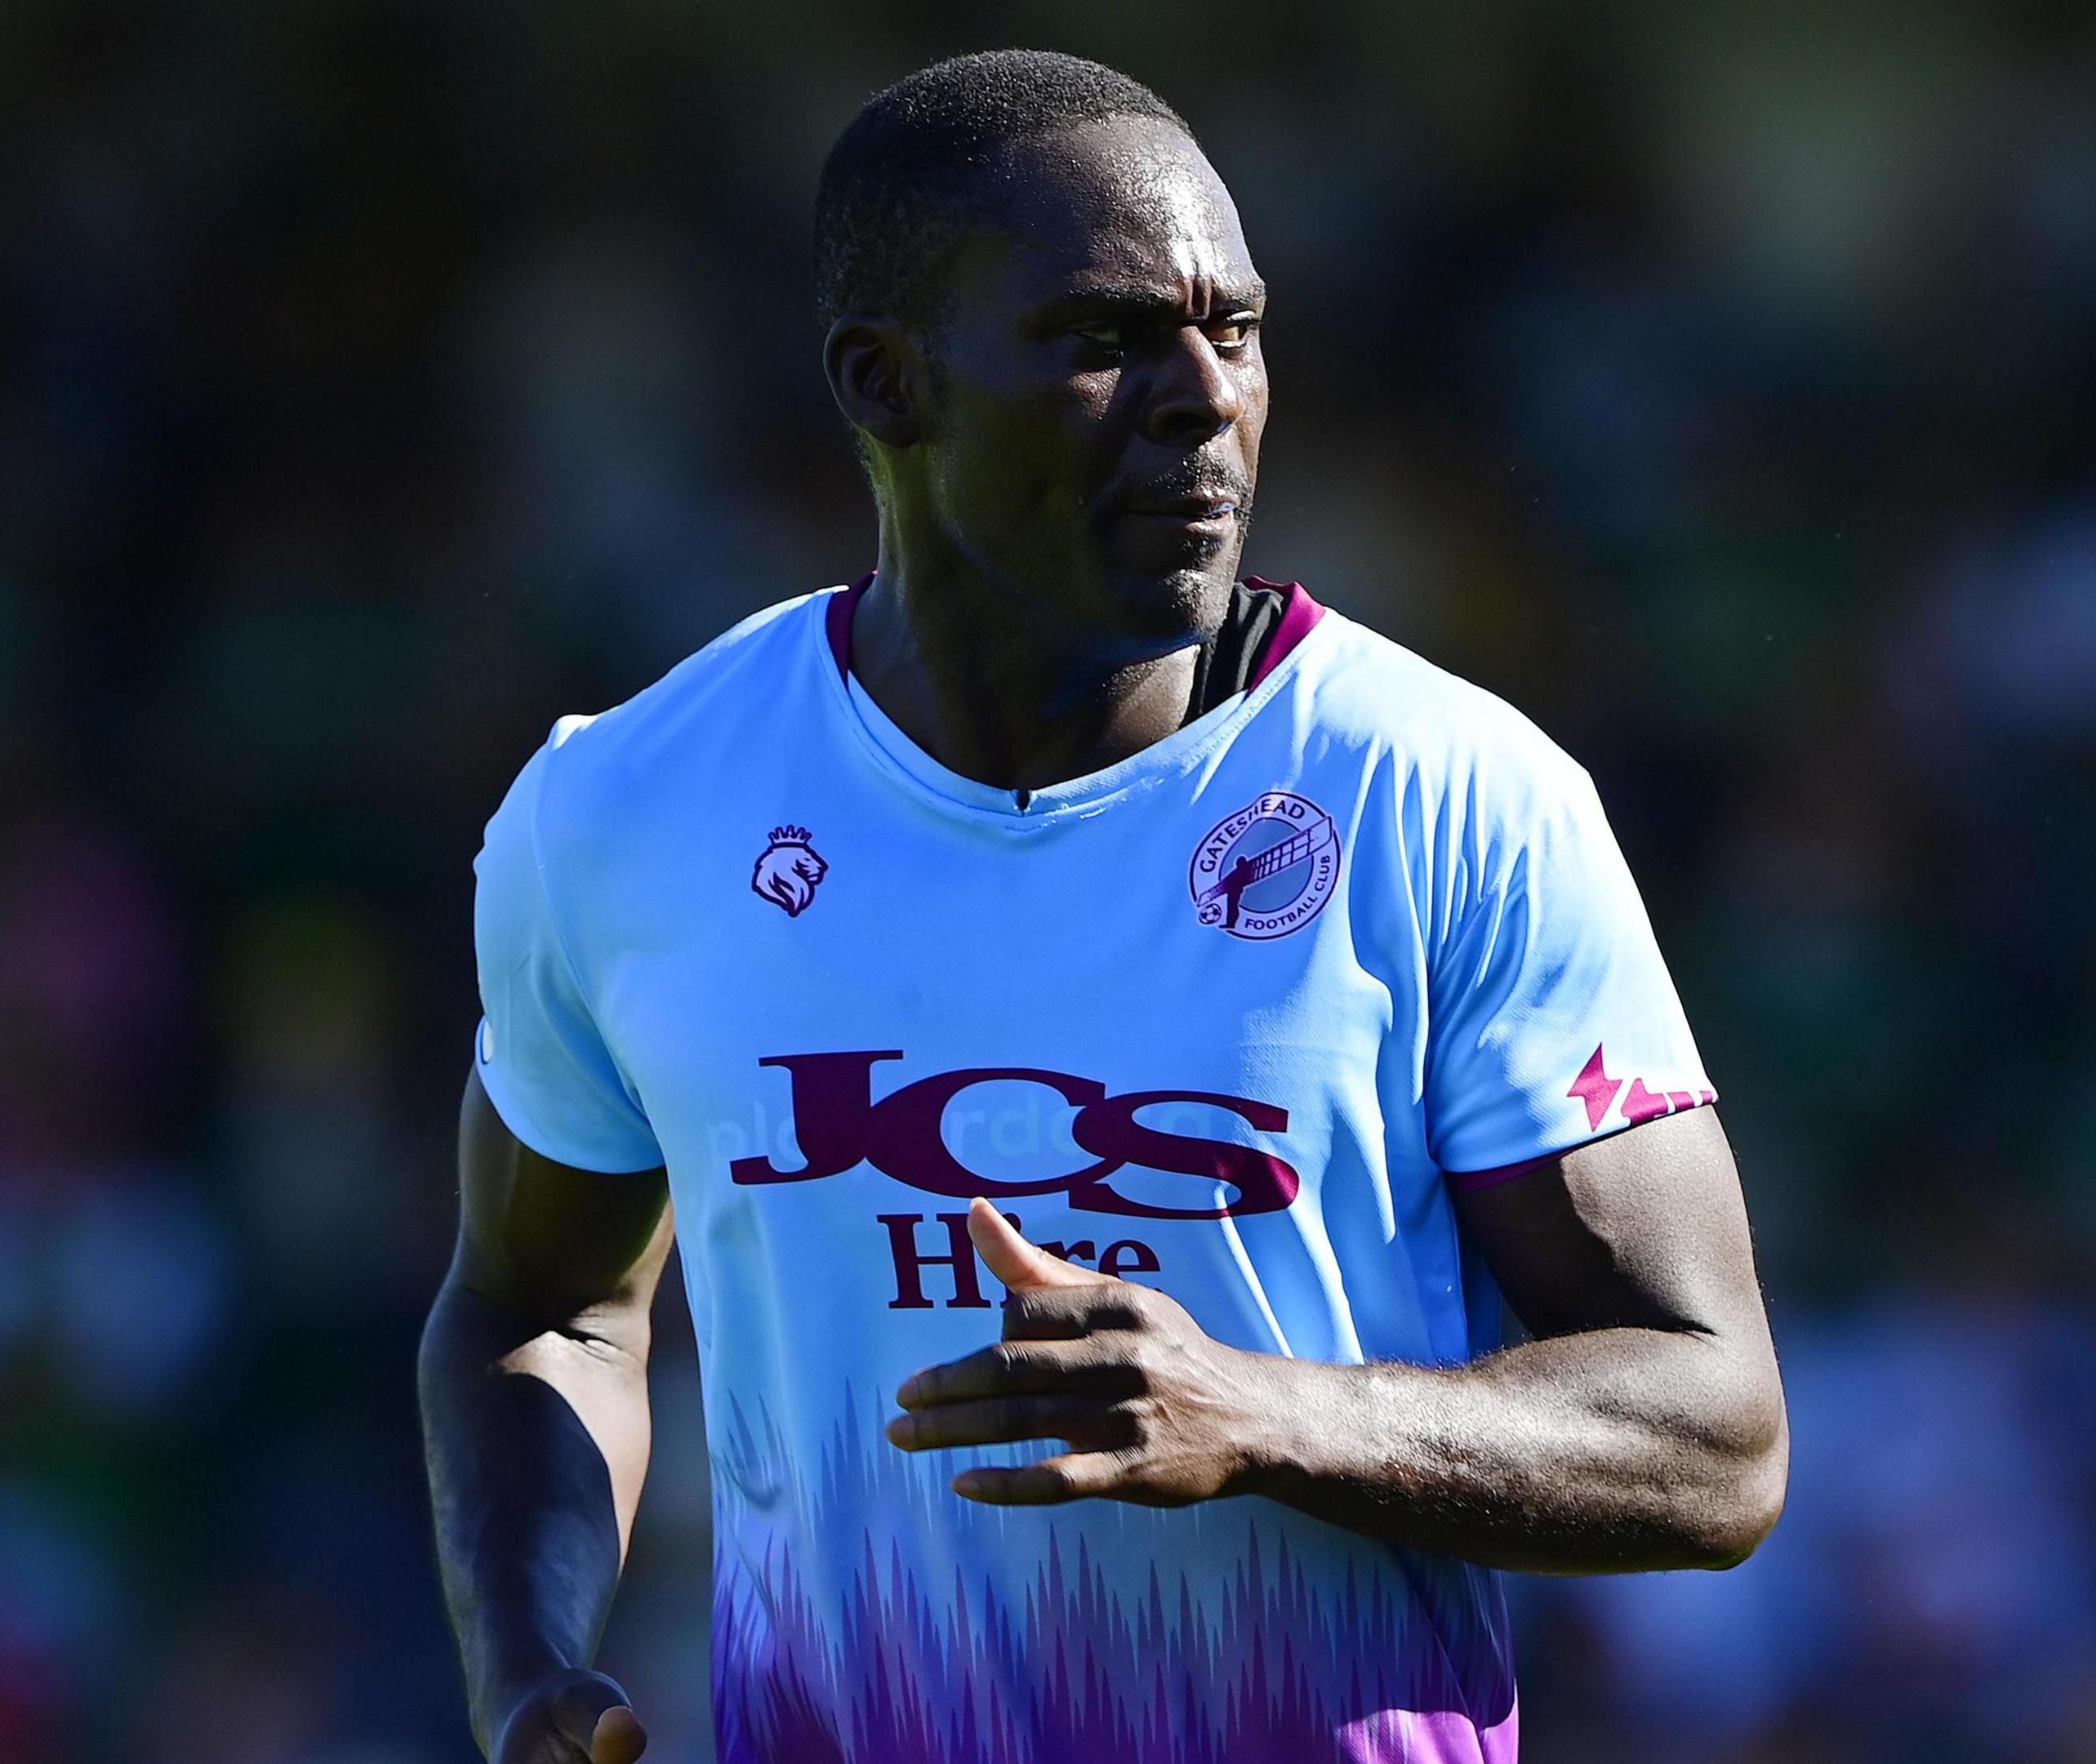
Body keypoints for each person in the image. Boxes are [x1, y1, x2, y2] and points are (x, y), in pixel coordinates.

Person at [420, 48, 1787, 1764]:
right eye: (1108, 338)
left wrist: (1266, 1412)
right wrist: (529, 1668)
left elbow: (1717, 1431)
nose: (1207, 396)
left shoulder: (1448, 796)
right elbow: (538, 1305)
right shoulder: (627, 811)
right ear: (886, 384)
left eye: (1239, 329)